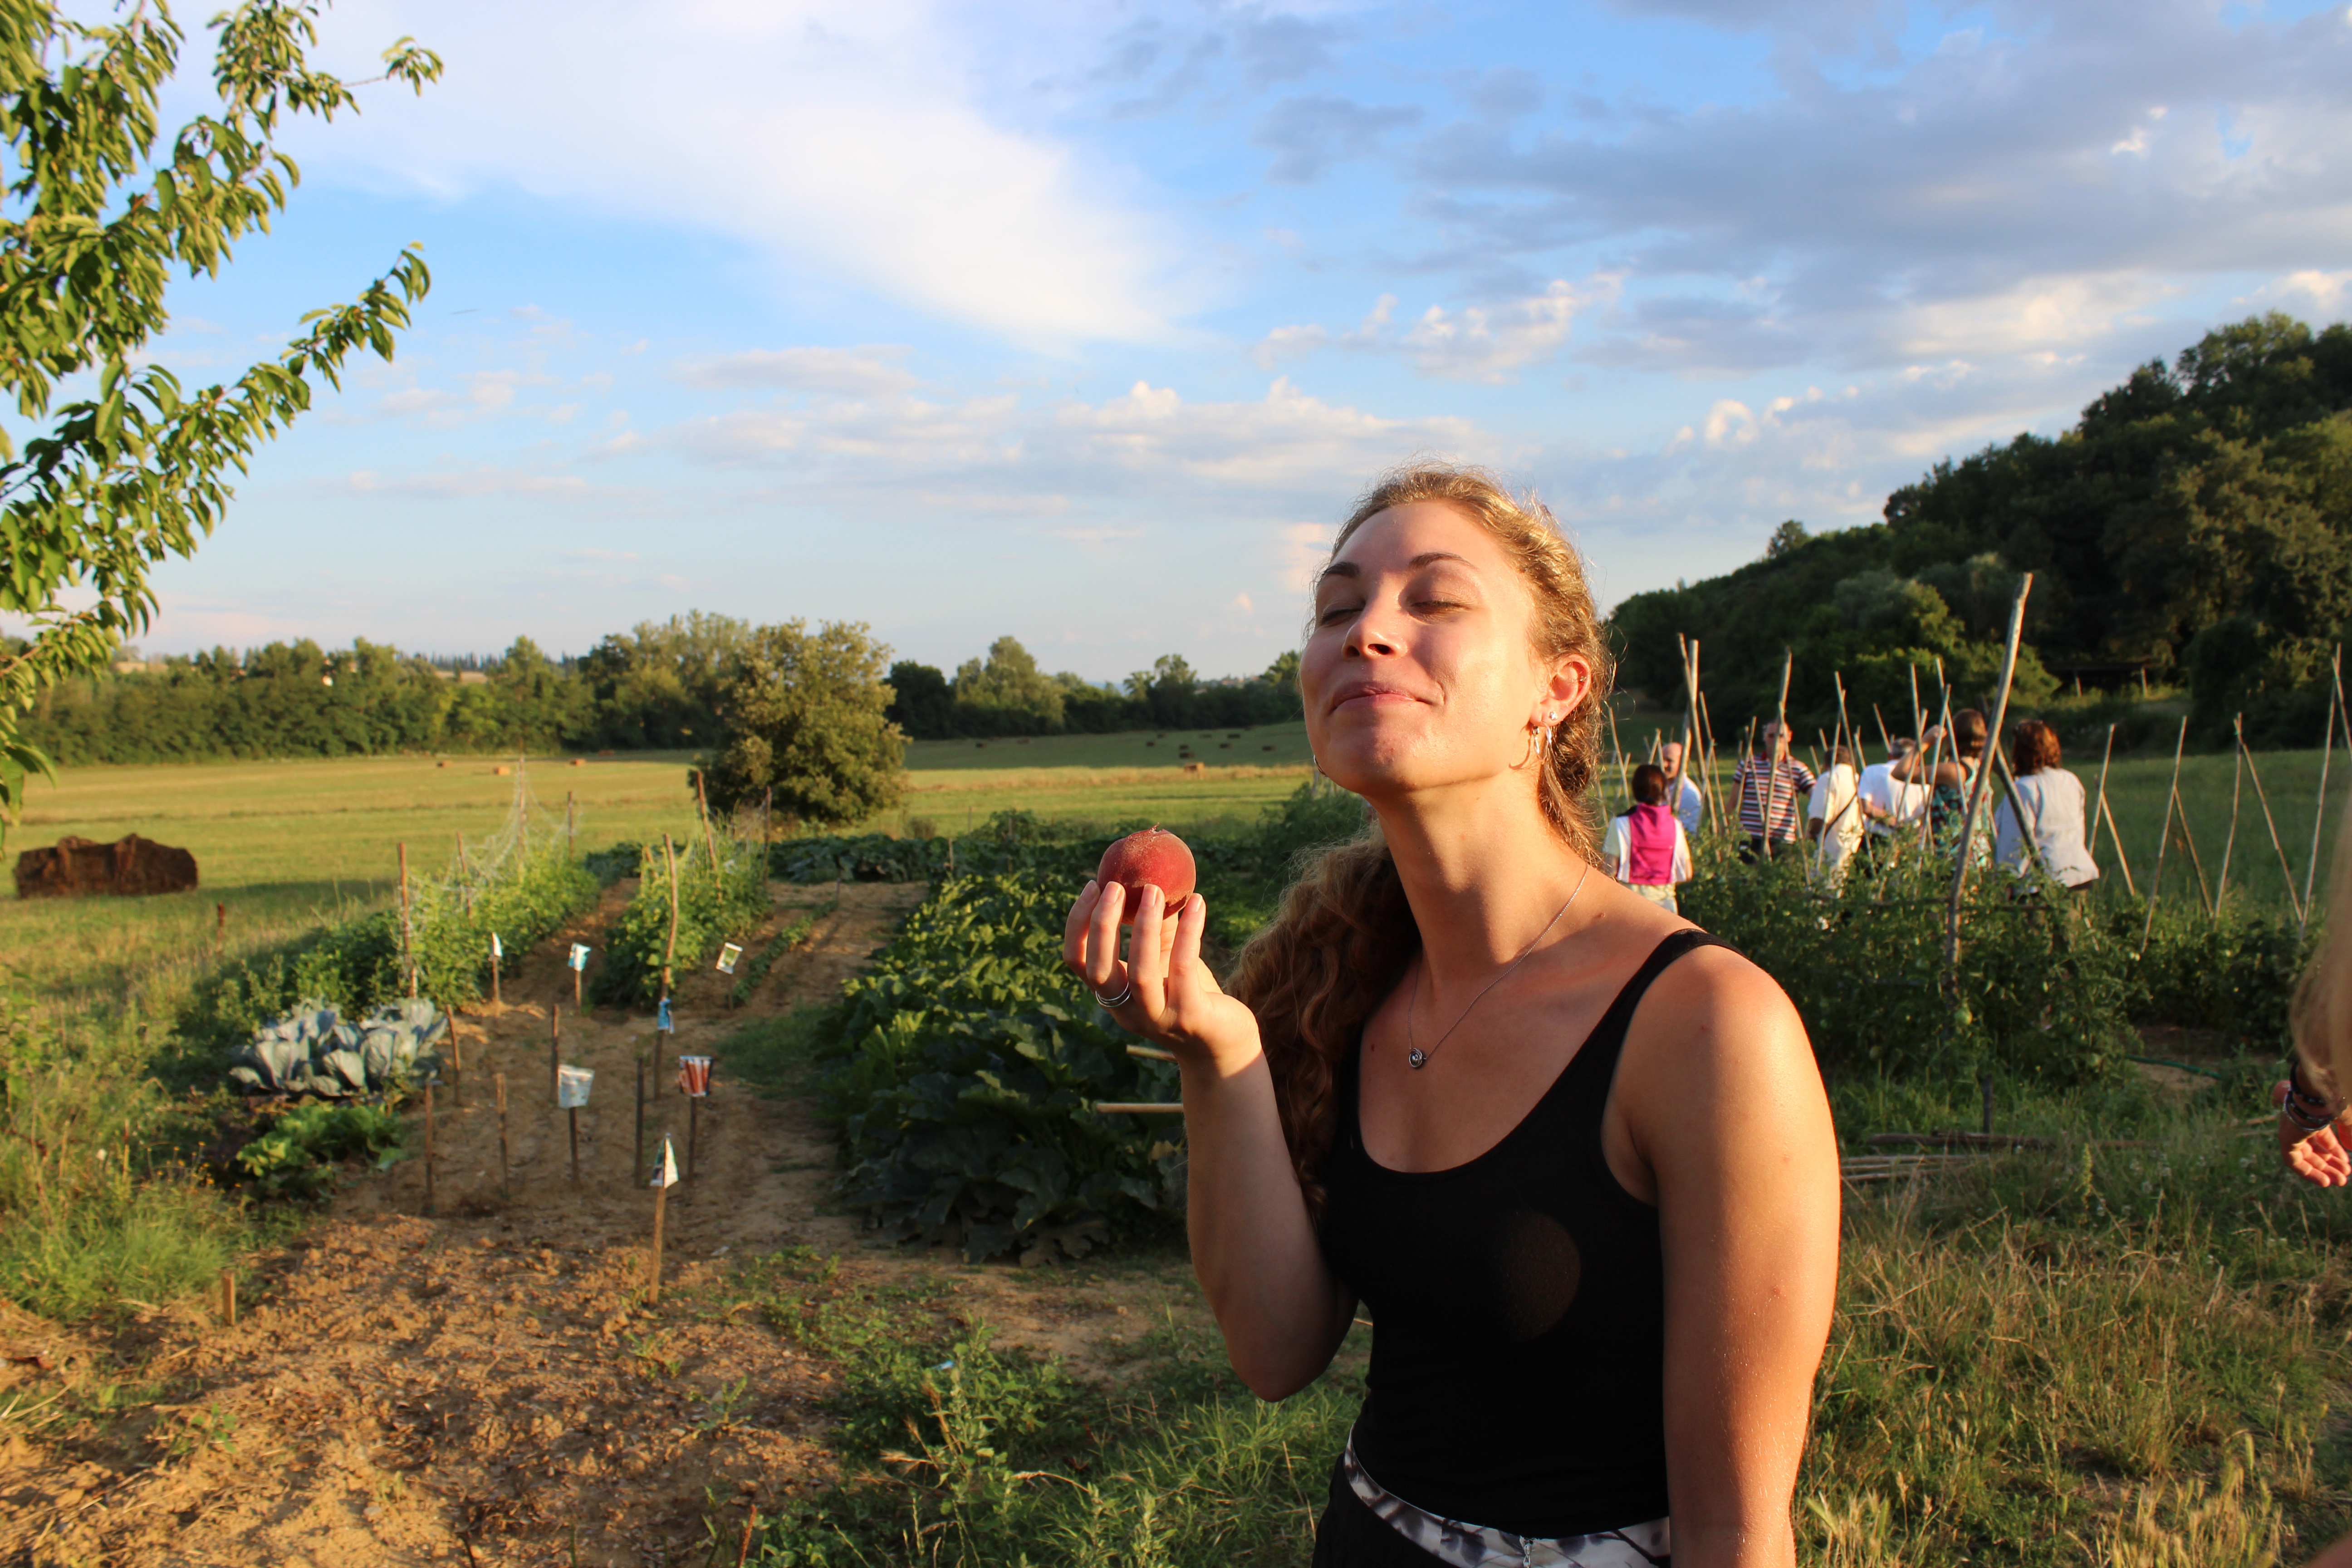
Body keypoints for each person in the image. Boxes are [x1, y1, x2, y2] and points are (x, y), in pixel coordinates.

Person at [1064, 463, 1839, 1568]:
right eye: (1337, 607)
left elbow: (1736, 1531)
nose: (1365, 631)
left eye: (1431, 600)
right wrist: (1216, 1047)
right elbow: (1274, 1351)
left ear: (1555, 687)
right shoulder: (1345, 987)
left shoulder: (1706, 1024)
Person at [1992, 719, 2098, 892]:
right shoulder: (2070, 780)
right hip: (2077, 875)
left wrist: (2007, 879)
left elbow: (2015, 844)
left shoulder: (2024, 788)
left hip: (2042, 885)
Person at [1604, 763, 1693, 912]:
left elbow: (1609, 870)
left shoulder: (1621, 824)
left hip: (1629, 908)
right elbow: (1688, 873)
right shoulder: (1675, 826)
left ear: (1635, 791)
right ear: (1664, 791)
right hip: (1666, 909)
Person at [1729, 722, 1815, 862]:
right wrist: (1725, 833)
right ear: (1764, 737)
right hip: (1749, 837)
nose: (1776, 740)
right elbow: (1733, 802)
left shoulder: (1798, 769)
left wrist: (1811, 831)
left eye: (1781, 736)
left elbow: (1816, 797)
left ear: (1789, 737)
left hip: (1782, 840)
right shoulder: (1749, 765)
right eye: (1771, 736)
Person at [1855, 737, 1929, 852]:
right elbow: (1926, 815)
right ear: (1917, 760)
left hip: (1877, 841)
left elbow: (1866, 807)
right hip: (1910, 841)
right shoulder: (1924, 780)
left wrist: (1894, 822)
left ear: (1890, 756)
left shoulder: (1872, 772)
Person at [1805, 745, 1862, 883]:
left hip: (1832, 843)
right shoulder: (1861, 780)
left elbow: (1820, 816)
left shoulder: (1829, 778)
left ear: (1826, 765)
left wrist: (1812, 835)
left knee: (1824, 887)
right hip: (1855, 841)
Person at [1659, 740, 1704, 836]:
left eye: (1669, 761)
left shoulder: (1689, 794)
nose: (1664, 764)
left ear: (1682, 763)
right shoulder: (1657, 786)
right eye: (1662, 759)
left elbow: (1688, 831)